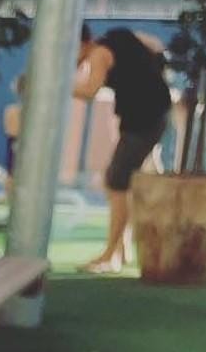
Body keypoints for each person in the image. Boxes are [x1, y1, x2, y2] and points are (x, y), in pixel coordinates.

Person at [72, 23, 172, 273]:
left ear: (80, 44)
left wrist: (54, 85)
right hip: (150, 115)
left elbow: (90, 90)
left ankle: (110, 256)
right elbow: (154, 44)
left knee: (117, 182)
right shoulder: (117, 39)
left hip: (144, 120)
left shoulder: (99, 54)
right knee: (117, 181)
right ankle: (122, 249)